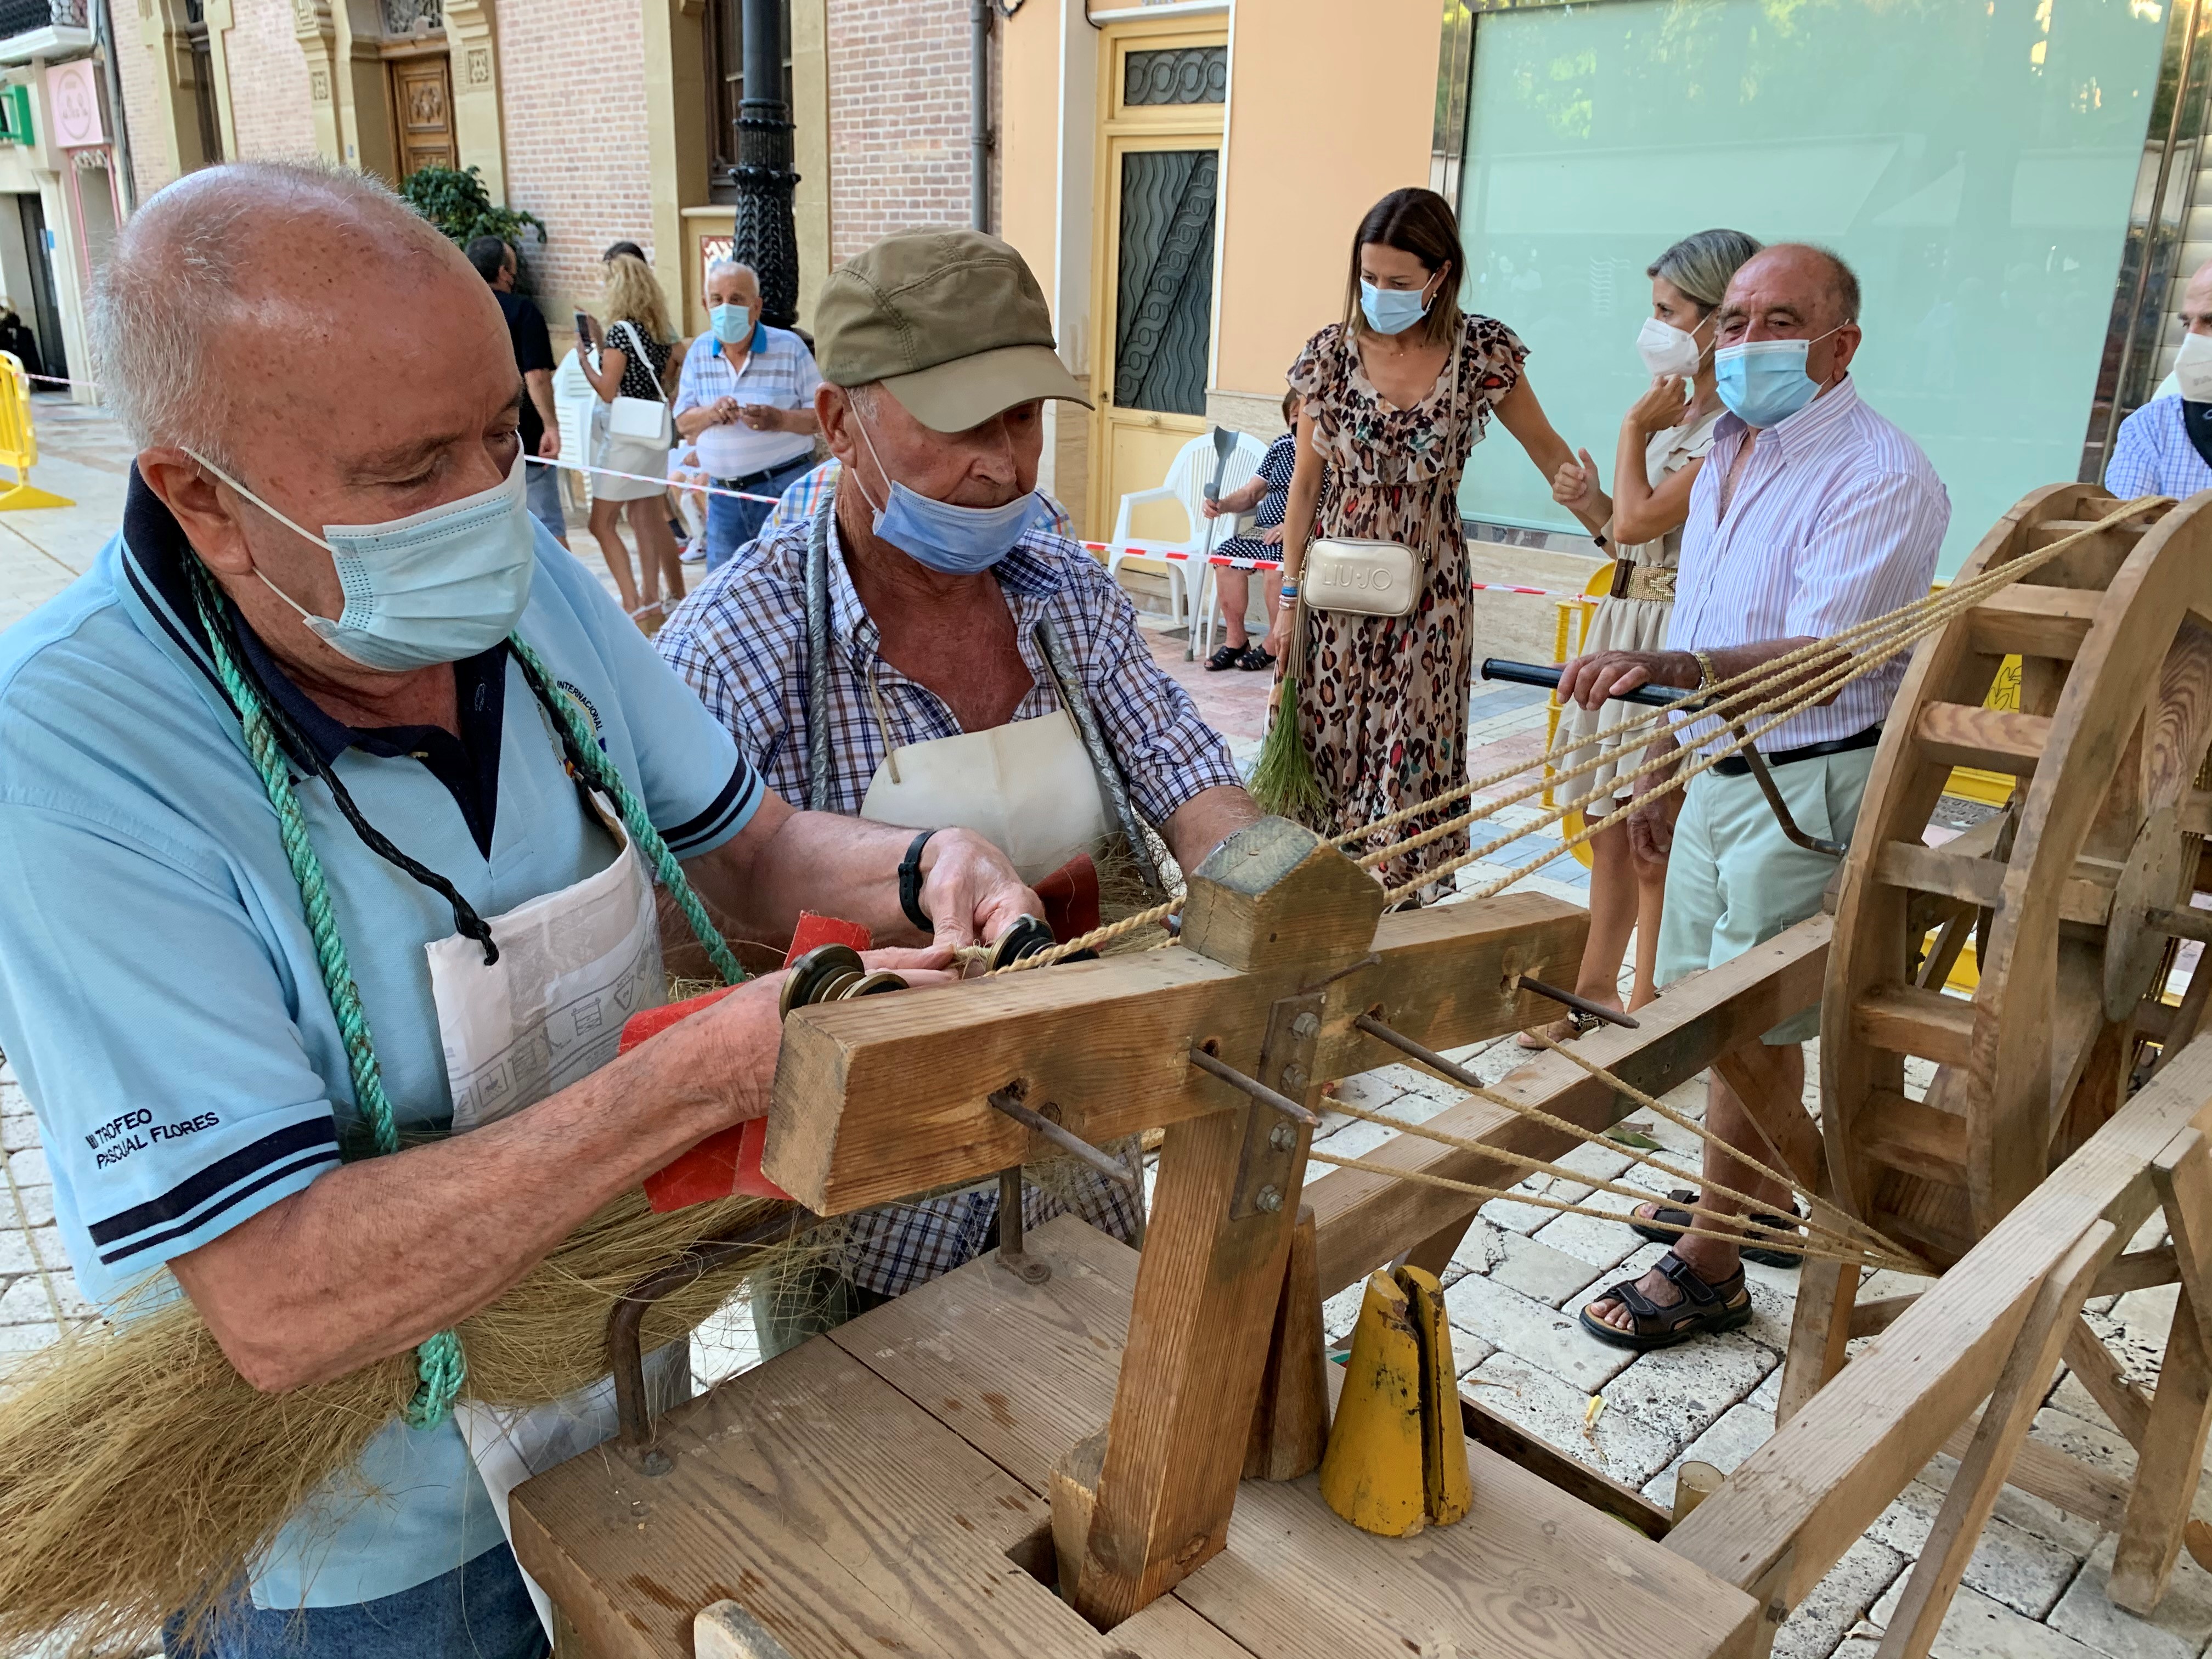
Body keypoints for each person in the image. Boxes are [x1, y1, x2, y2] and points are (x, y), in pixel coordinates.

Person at [0, 161, 1041, 1659]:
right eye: (412, 472)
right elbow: (280, 1299)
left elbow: (743, 854)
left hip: (616, 1407)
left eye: (503, 434)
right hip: (358, 1556)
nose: (488, 503)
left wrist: (920, 866)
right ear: (200, 501)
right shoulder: (70, 764)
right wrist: (693, 1079)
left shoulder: (525, 589)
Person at [657, 227, 1261, 1355]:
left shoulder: (1060, 593)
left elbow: (1184, 772)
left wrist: (1274, 886)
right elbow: (686, 932)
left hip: (1080, 1156)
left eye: (1025, 419)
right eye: (965, 426)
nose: (1010, 463)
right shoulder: (740, 644)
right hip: (858, 1233)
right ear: (840, 422)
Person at [1560, 243, 1949, 1351]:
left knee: (1748, 1015)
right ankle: (1763, 1195)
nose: (1744, 344)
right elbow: (1703, 613)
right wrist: (1665, 761)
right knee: (1707, 1006)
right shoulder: (1729, 448)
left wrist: (1684, 681)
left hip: (1807, 781)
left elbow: (1827, 659)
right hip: (1718, 761)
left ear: (1841, 345)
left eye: (1779, 322)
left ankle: (1717, 1255)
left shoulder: (1881, 474)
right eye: (1732, 321)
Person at [1262, 187, 1603, 896]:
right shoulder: (1329, 354)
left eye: (1398, 282)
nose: (1378, 294)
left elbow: (1547, 452)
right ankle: (1317, 907)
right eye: (1369, 278)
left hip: (1431, 595)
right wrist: (1287, 599)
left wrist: (1602, 516)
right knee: (1326, 749)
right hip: (1335, 594)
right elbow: (1302, 488)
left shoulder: (1481, 351)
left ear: (1439, 276)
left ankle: (1401, 906)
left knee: (1413, 753)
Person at [1522, 228, 1762, 1046]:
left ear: (1715, 317)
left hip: (1669, 638)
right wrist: (1587, 502)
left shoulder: (1727, 428)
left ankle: (1650, 1002)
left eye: (1668, 310)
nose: (1653, 326)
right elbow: (1627, 539)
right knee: (1604, 822)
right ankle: (1591, 996)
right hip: (1623, 617)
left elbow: (1646, 518)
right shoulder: (1674, 417)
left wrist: (1628, 435)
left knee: (1653, 830)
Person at [673, 259, 823, 573]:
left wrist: (779, 419)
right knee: (724, 589)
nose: (726, 308)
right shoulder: (700, 352)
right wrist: (712, 414)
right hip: (725, 495)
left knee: (792, 581)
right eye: (717, 300)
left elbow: (823, 416)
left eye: (737, 300)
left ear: (756, 307)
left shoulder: (790, 348)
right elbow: (683, 421)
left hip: (782, 488)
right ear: (706, 305)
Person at [577, 252, 688, 629]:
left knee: (601, 522)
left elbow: (609, 391)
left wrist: (585, 363)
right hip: (653, 436)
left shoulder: (621, 332)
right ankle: (652, 600)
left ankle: (631, 603)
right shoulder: (658, 333)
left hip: (625, 438)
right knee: (645, 517)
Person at [466, 234, 568, 549]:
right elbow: (535, 376)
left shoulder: (457, 313)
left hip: (473, 439)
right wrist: (551, 425)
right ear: (503, 272)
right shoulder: (524, 312)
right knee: (548, 530)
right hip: (523, 437)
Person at [1195, 389, 1301, 672]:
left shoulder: (1328, 451)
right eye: (1295, 414)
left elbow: (1330, 502)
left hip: (1302, 533)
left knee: (1278, 566)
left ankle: (1272, 642)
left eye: (1307, 413)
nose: (1301, 419)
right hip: (1263, 530)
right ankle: (1236, 640)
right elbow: (1252, 493)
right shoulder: (1281, 447)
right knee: (1226, 557)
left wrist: (1292, 525)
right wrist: (1224, 504)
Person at [752, 453, 1075, 545]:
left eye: (1022, 416)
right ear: (839, 423)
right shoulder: (801, 506)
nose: (1003, 471)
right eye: (951, 424)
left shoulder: (1043, 523)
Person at [2108, 257, 2212, 499]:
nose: (2192, 339)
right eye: (2188, 324)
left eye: (2211, 323)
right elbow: (2124, 533)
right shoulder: (2153, 428)